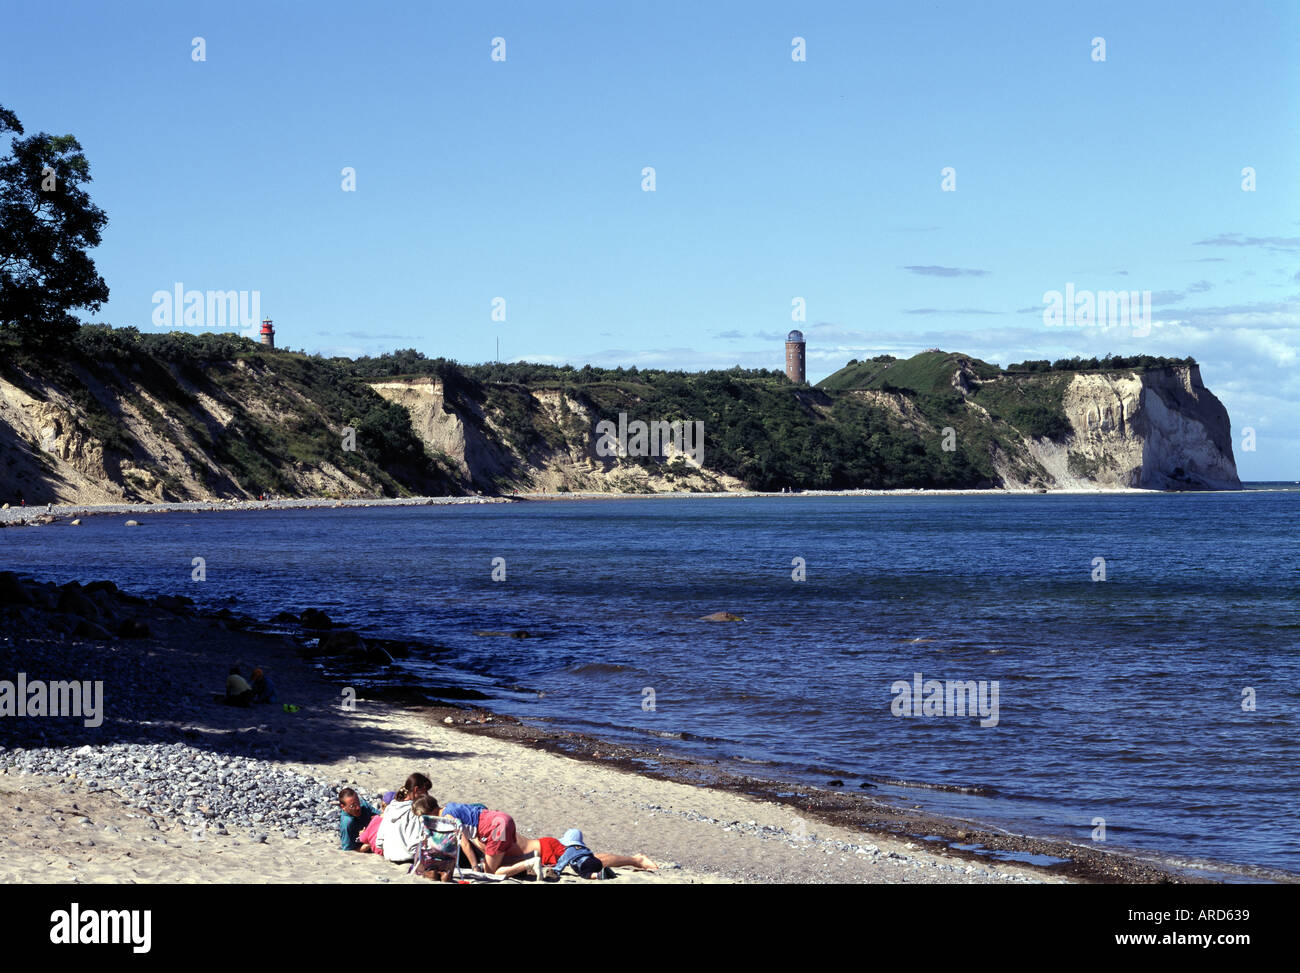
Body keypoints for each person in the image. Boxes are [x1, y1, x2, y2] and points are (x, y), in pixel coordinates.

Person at [494, 828, 658, 880]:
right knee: (574, 835)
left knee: (586, 860)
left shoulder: (490, 847)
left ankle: (636, 859)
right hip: (546, 844)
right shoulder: (490, 830)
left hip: (547, 851)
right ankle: (636, 859)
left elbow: (496, 870)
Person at [431, 799, 529, 874]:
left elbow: (465, 844)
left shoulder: (448, 818)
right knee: (496, 860)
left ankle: (530, 863)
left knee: (491, 873)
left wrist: (474, 867)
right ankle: (529, 857)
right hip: (502, 818)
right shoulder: (450, 806)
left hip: (496, 826)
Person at [375, 773, 432, 864]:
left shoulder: (390, 808)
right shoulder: (413, 812)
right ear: (416, 790)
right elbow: (414, 845)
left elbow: (379, 842)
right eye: (425, 791)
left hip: (389, 856)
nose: (427, 795)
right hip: (407, 859)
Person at [338, 788, 379, 852]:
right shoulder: (347, 824)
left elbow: (380, 815)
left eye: (358, 802)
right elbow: (349, 852)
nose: (358, 807)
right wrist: (369, 843)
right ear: (343, 807)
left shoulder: (362, 804)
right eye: (352, 806)